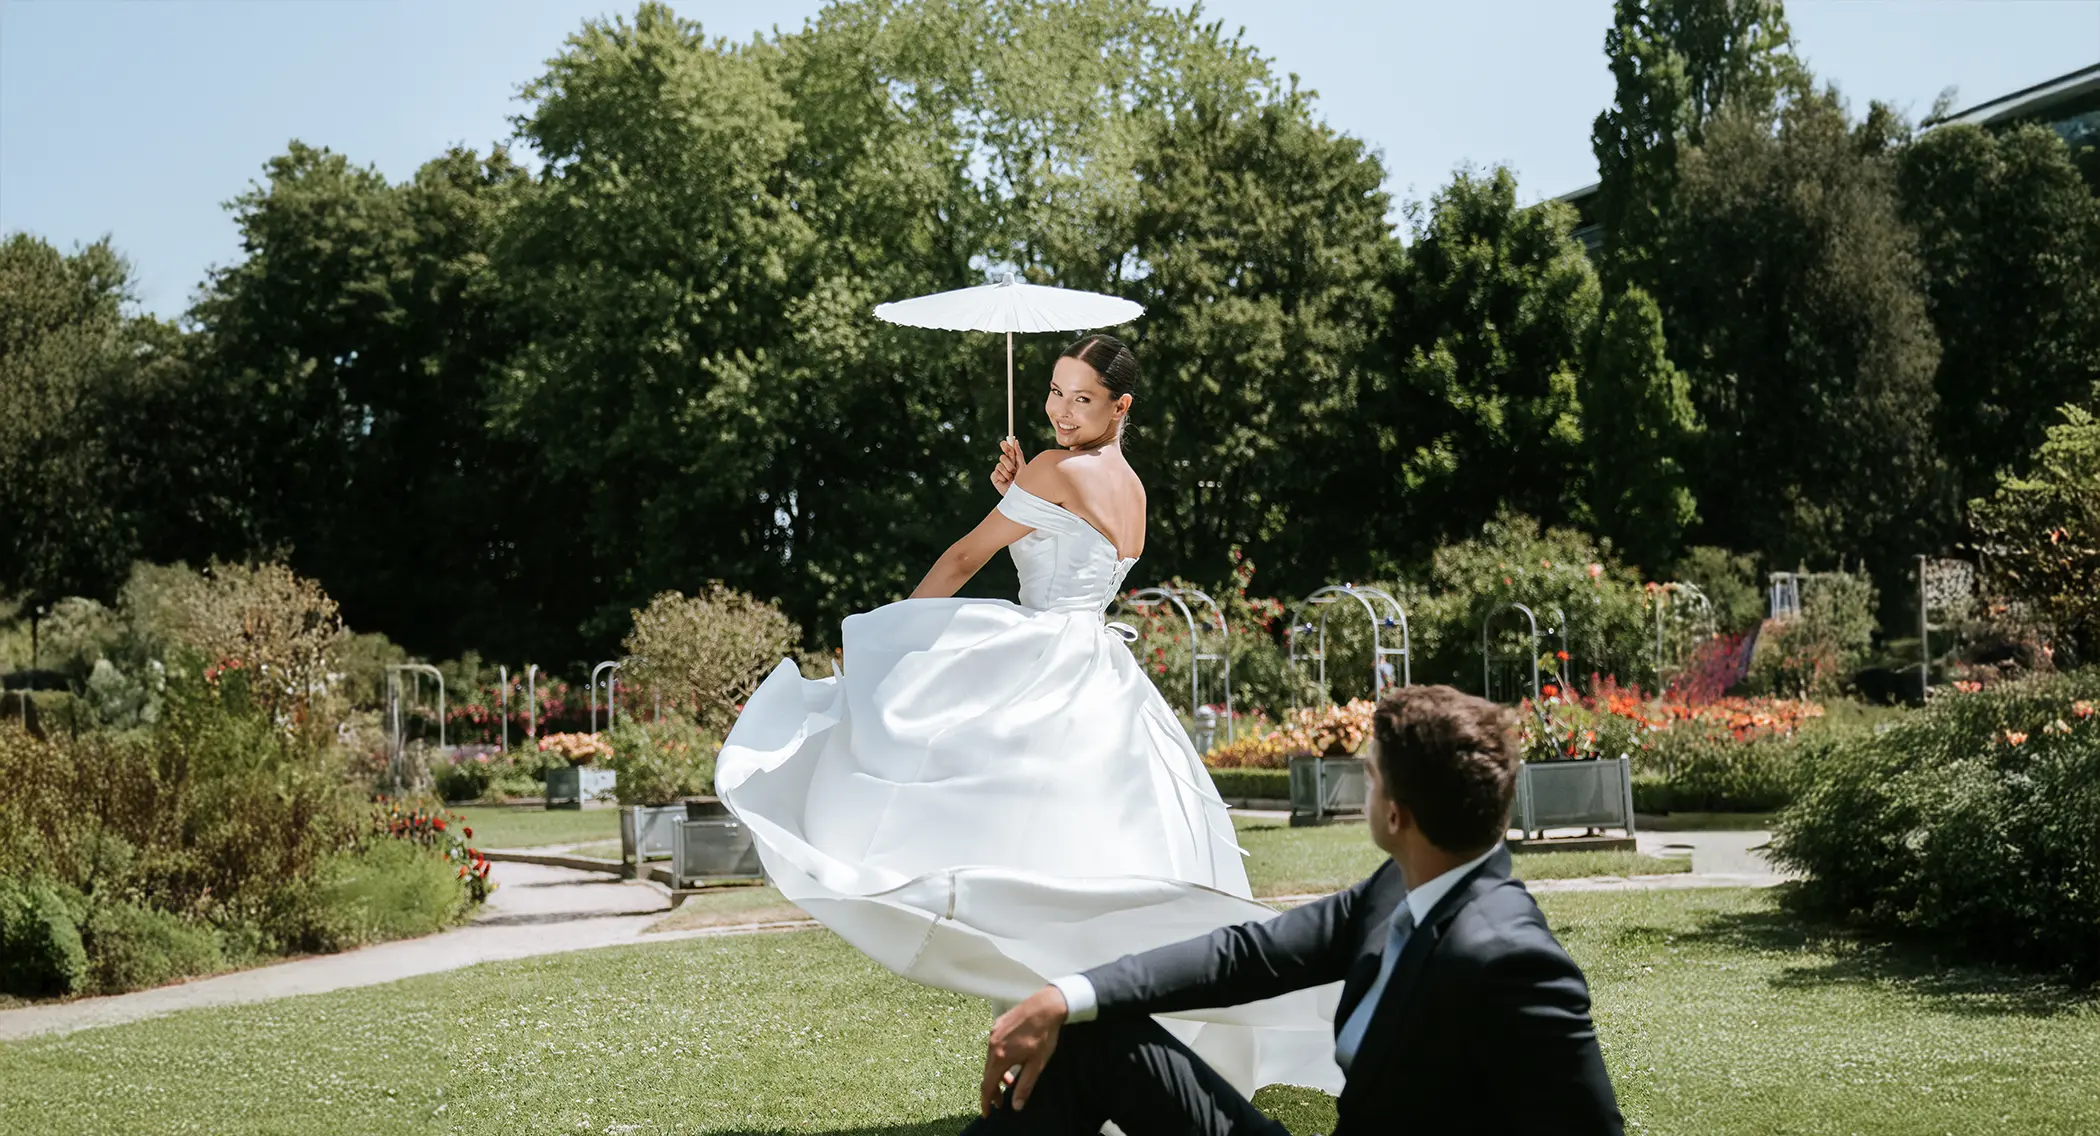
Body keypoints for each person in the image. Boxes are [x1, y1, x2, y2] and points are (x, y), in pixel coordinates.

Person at [715, 333, 1338, 1095]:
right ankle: (1110, 1050)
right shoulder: (1132, 485)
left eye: (1083, 398)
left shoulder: (1053, 469)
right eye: (1053, 391)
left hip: (1044, 651)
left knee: (958, 794)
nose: (1061, 410)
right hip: (1101, 670)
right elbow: (1067, 536)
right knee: (1093, 843)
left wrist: (887, 649)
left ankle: (1063, 1048)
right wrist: (1022, 495)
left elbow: (963, 561)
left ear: (1120, 405)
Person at [968, 684, 1625, 1135]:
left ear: (1395, 815)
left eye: (1368, 777)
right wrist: (1066, 995)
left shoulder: (1513, 961)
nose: (1363, 788)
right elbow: (1247, 955)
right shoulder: (1396, 889)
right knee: (1090, 1038)